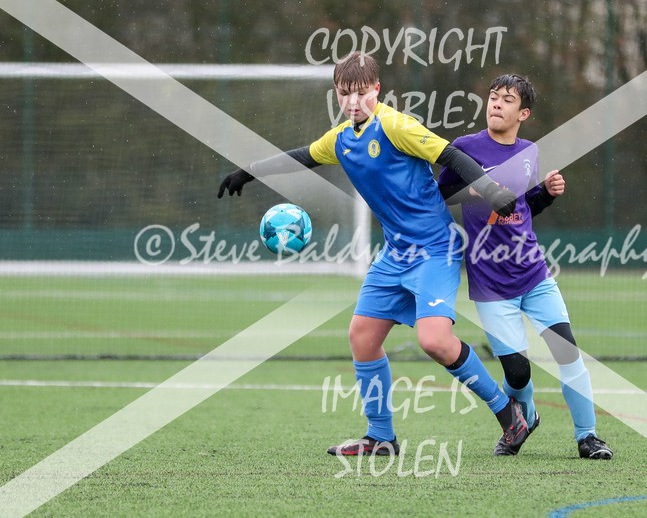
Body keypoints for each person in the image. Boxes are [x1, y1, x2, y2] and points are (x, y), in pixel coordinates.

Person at [218, 52, 529, 456]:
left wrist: (491, 190)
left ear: (376, 90)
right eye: (345, 94)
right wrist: (249, 170)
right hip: (395, 254)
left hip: (435, 250)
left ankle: (510, 415)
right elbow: (303, 156)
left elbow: (450, 155)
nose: (353, 102)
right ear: (337, 94)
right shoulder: (342, 139)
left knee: (434, 341)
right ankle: (380, 437)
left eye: (362, 93)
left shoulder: (396, 125)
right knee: (362, 336)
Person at [438, 74, 613, 459]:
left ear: (524, 113)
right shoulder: (464, 148)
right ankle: (525, 419)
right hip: (490, 283)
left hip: (534, 275)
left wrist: (546, 195)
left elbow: (522, 208)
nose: (496, 104)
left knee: (567, 354)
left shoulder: (530, 151)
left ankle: (588, 436)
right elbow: (443, 192)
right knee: (518, 374)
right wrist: (482, 190)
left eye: (507, 100)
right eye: (493, 97)